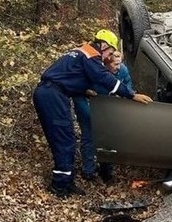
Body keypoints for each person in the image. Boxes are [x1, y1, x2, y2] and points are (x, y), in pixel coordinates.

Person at [32, 29, 153, 198]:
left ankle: (67, 183)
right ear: (103, 45)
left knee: (68, 139)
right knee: (64, 141)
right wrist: (131, 95)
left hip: (54, 94)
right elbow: (104, 78)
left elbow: (72, 77)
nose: (109, 57)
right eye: (110, 52)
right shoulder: (91, 55)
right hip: (52, 95)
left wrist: (84, 89)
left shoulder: (81, 52)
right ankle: (59, 187)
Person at [73, 50, 133, 183]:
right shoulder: (93, 70)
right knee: (89, 136)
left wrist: (125, 95)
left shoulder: (122, 70)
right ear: (106, 63)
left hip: (108, 109)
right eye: (115, 65)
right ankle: (88, 171)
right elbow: (76, 87)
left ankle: (106, 169)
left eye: (119, 64)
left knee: (108, 137)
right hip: (87, 105)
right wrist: (86, 94)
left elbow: (128, 84)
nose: (118, 67)